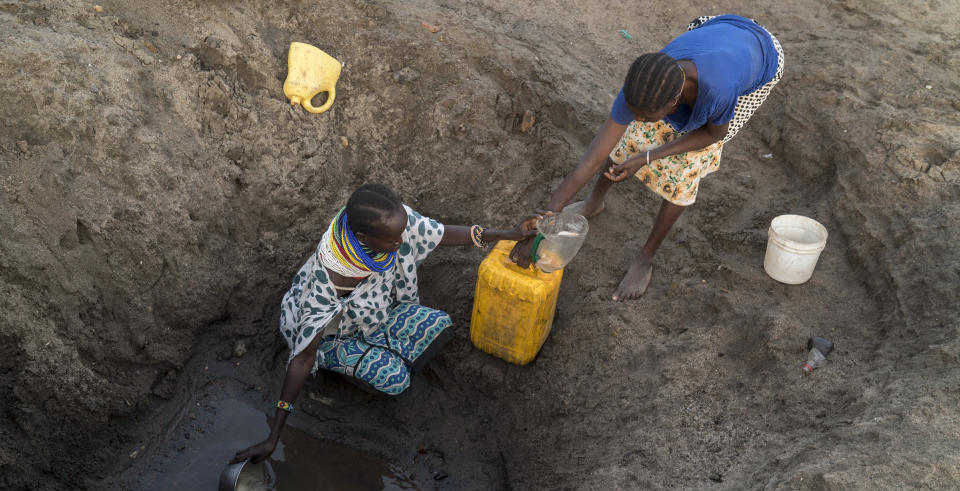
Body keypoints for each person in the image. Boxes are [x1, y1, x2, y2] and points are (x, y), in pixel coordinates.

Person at [232, 184, 535, 464]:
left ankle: (378, 351)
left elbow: (439, 233)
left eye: (402, 232)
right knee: (395, 378)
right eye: (394, 239)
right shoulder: (330, 279)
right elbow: (302, 358)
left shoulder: (389, 223)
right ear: (363, 239)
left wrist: (509, 233)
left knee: (439, 324)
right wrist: (273, 436)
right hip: (329, 338)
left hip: (374, 315)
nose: (402, 241)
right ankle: (341, 374)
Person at [511, 15, 784, 300]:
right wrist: (545, 219)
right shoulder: (647, 81)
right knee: (629, 139)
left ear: (673, 102)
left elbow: (712, 134)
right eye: (635, 111)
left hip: (761, 57)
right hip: (721, 31)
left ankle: (645, 258)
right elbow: (592, 158)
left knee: (687, 169)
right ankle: (594, 202)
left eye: (646, 115)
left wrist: (648, 157)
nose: (638, 118)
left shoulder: (720, 92)